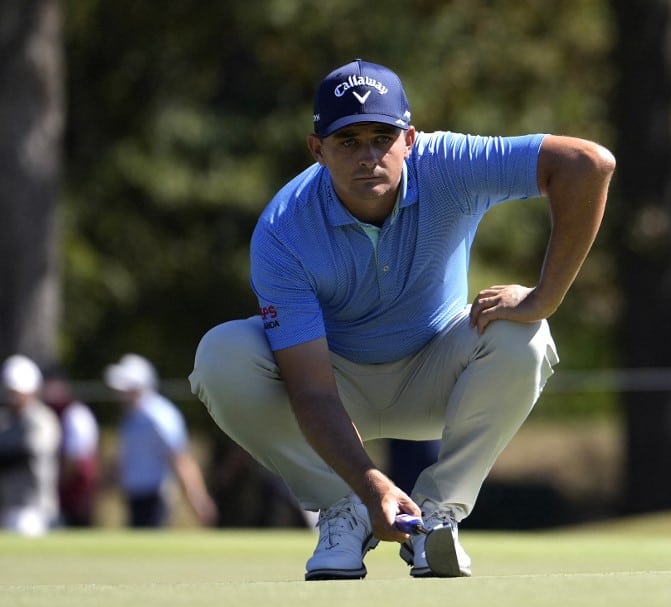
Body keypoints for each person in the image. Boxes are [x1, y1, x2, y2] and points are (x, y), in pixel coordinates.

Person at [190, 59, 614, 580]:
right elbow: (313, 391)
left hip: (438, 375)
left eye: (382, 138)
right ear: (316, 149)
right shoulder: (284, 228)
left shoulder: (451, 163)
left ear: (410, 139)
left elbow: (589, 164)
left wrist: (544, 298)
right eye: (347, 142)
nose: (368, 157)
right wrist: (369, 486)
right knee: (221, 354)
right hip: (335, 388)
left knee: (524, 334)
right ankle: (342, 510)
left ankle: (436, 521)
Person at [105, 354, 217, 528]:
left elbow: (179, 459)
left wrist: (197, 499)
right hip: (134, 495)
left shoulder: (160, 416)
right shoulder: (130, 417)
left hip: (155, 496)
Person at [0, 355, 61, 535]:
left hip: (34, 506)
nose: (13, 396)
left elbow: (28, 453)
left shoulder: (41, 419)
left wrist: (4, 457)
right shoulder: (1, 419)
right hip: (7, 502)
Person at [43, 368, 100, 527]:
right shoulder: (51, 412)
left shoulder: (75, 413)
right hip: (63, 492)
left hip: (77, 492)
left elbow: (75, 458)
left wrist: (58, 483)